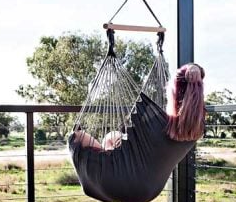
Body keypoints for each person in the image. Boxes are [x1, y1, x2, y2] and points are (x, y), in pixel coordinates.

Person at [72, 62, 206, 149]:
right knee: (112, 136)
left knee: (77, 136)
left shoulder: (159, 123)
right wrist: (196, 71)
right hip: (153, 182)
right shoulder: (196, 127)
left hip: (124, 177)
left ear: (173, 94)